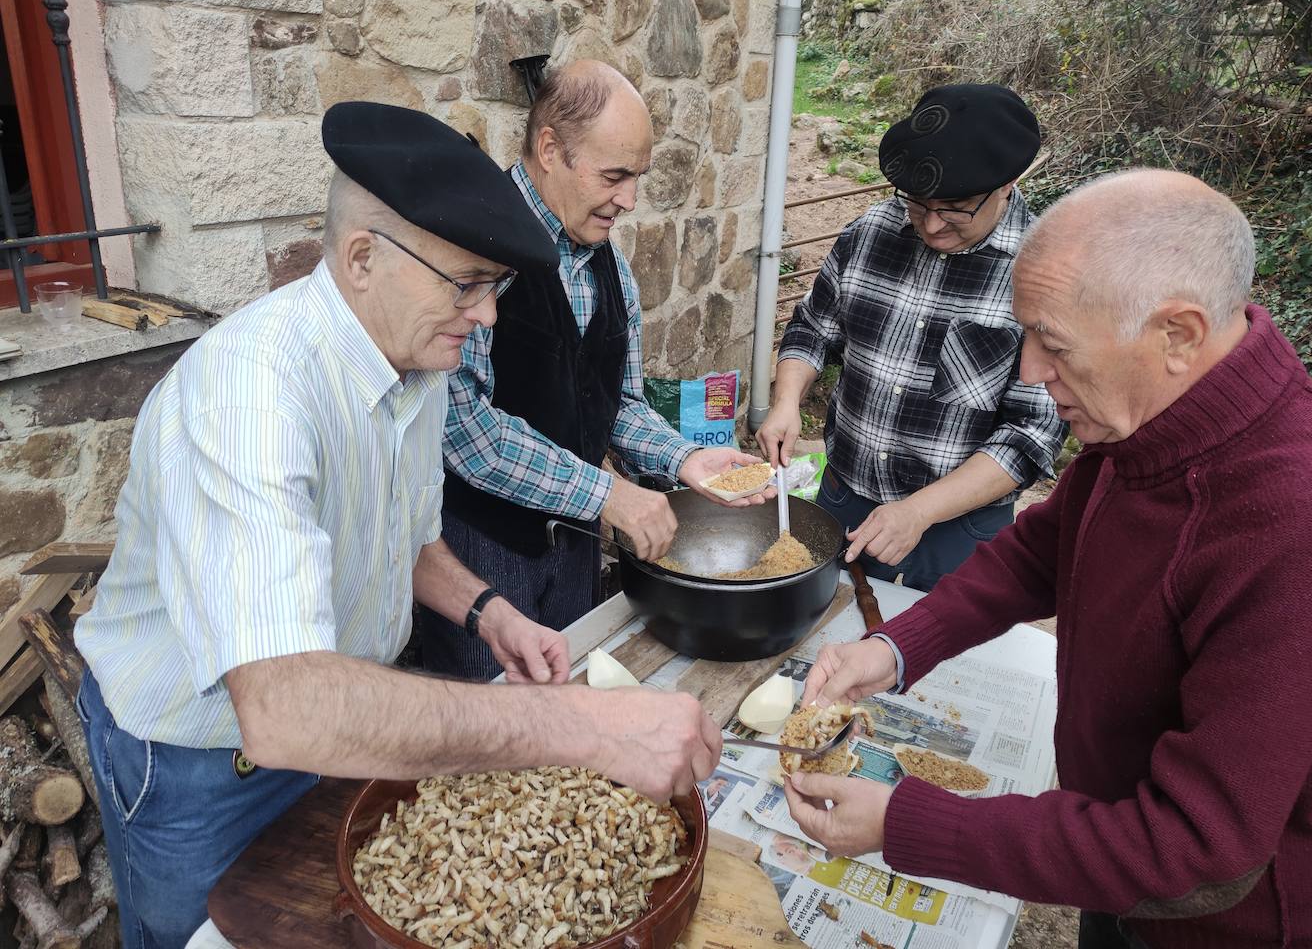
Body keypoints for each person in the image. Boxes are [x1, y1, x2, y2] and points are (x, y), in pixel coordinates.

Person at [72, 102, 723, 949]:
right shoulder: (248, 398)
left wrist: (491, 613)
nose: (487, 316)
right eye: (467, 285)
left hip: (339, 728)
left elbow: (407, 542)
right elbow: (281, 705)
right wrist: (585, 727)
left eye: (496, 287)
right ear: (363, 257)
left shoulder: (413, 364)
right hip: (201, 765)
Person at [782, 170, 1312, 948]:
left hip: (1239, 923)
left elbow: (1199, 844)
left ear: (1178, 335)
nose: (1027, 372)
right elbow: (1040, 551)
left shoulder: (1311, 520)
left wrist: (913, 823)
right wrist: (894, 649)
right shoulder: (1147, 422)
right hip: (1112, 862)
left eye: (1053, 343)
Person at [426, 60, 770, 680]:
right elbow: (464, 431)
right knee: (494, 733)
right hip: (483, 549)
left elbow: (620, 406)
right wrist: (608, 493)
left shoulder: (612, 268)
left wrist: (685, 459)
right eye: (614, 176)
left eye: (635, 177)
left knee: (571, 701)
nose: (629, 201)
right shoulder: (474, 248)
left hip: (577, 545)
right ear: (551, 149)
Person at [758, 83, 1065, 591]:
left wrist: (918, 511)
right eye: (919, 204)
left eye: (956, 207)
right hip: (842, 496)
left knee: (935, 661)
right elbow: (813, 328)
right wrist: (787, 401)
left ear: (1008, 183)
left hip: (955, 527)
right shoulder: (870, 233)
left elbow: (1032, 435)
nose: (933, 225)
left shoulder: (1043, 275)